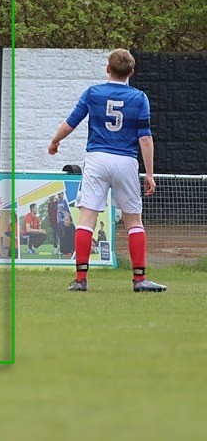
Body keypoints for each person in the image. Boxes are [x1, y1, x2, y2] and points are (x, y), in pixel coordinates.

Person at [48, 48, 164, 292]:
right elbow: (145, 138)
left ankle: (80, 279)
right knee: (133, 220)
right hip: (126, 161)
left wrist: (55, 141)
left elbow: (71, 122)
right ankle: (140, 279)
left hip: (98, 159)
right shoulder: (139, 98)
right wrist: (150, 174)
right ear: (131, 72)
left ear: (107, 69)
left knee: (87, 218)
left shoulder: (94, 93)